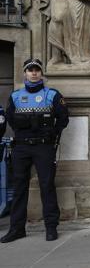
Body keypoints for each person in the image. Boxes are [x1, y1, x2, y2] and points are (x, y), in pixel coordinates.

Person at [0, 59, 69, 243]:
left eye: (37, 70)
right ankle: (17, 229)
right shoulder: (15, 96)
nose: (33, 73)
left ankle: (51, 227)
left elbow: (63, 118)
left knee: (47, 186)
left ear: (41, 73)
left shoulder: (52, 94)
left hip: (44, 146)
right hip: (21, 146)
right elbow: (10, 119)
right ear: (25, 73)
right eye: (30, 70)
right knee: (19, 188)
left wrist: (51, 134)